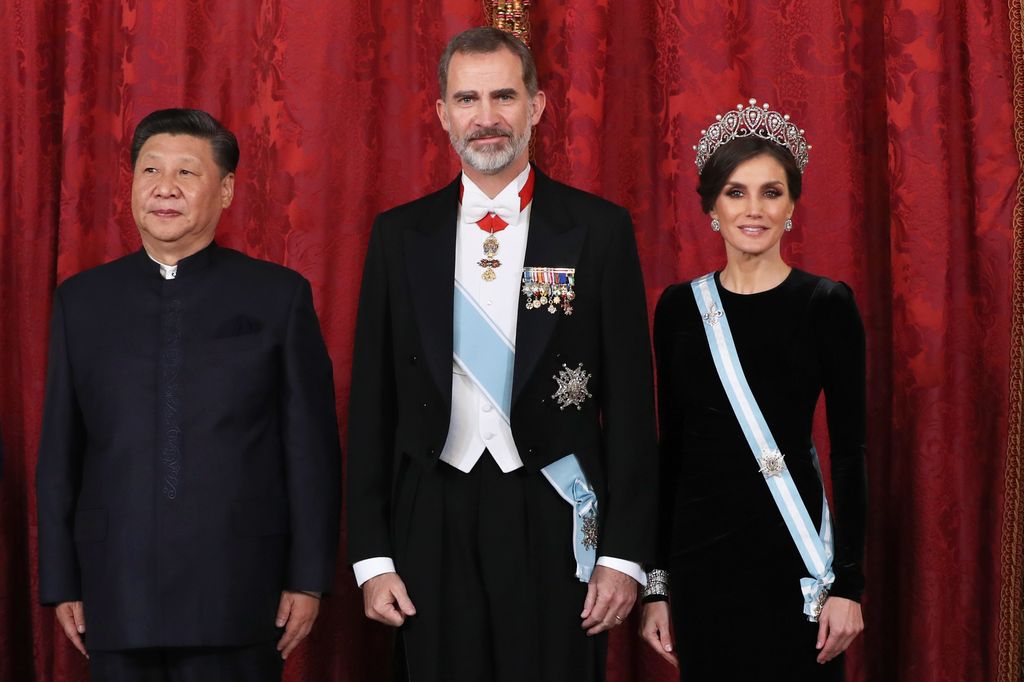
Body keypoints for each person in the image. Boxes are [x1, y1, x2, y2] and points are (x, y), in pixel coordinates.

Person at [346, 26, 658, 682]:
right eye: (467, 99)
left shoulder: (598, 230)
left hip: (556, 509)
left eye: (504, 97)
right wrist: (372, 558)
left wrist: (623, 555)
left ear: (536, 106)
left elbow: (633, 408)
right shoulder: (399, 235)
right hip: (433, 512)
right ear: (442, 114)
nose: (485, 118)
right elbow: (372, 406)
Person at [36, 108, 342, 681]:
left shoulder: (278, 297)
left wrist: (307, 578)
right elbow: (59, 452)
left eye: (187, 172)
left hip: (240, 587)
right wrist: (60, 580)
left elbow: (311, 452)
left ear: (226, 190)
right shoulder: (82, 301)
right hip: (115, 586)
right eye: (150, 170)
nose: (165, 187)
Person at [640, 100, 867, 680]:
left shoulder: (826, 304)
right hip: (700, 562)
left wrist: (849, 585)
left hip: (794, 554)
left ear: (792, 206)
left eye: (771, 193)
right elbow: (672, 452)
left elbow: (851, 453)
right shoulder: (679, 308)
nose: (754, 209)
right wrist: (657, 586)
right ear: (711, 206)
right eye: (736, 192)